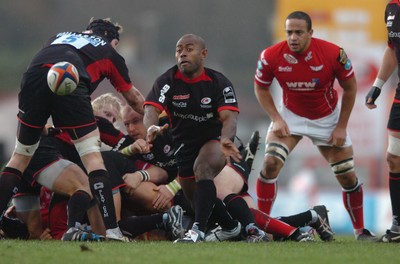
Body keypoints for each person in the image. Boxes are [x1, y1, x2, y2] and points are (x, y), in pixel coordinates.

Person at [0, 18, 145, 241]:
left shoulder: (58, 36)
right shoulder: (108, 50)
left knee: (18, 158)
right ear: (112, 40)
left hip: (33, 78)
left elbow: (48, 65)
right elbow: (133, 99)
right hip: (70, 80)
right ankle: (113, 231)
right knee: (93, 160)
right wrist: (155, 116)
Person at [253, 11, 375, 241]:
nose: (293, 38)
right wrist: (277, 118)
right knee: (270, 164)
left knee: (347, 176)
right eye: (289, 32)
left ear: (311, 33)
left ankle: (361, 231)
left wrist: (341, 127)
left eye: (299, 32)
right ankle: (263, 227)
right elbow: (260, 87)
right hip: (291, 116)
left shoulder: (333, 53)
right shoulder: (270, 55)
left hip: (326, 119)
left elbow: (350, 88)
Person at [143, 34, 248, 243]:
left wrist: (226, 139)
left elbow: (230, 118)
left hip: (214, 141)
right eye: (179, 50)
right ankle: (231, 227)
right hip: (183, 146)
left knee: (203, 169)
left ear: (203, 54)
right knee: (196, 201)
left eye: (189, 49)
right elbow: (151, 110)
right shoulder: (168, 80)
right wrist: (151, 127)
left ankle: (197, 232)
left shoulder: (218, 82)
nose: (182, 53)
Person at [365, 1, 400, 243]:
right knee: (394, 158)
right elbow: (392, 48)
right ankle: (398, 226)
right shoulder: (392, 7)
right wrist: (377, 86)